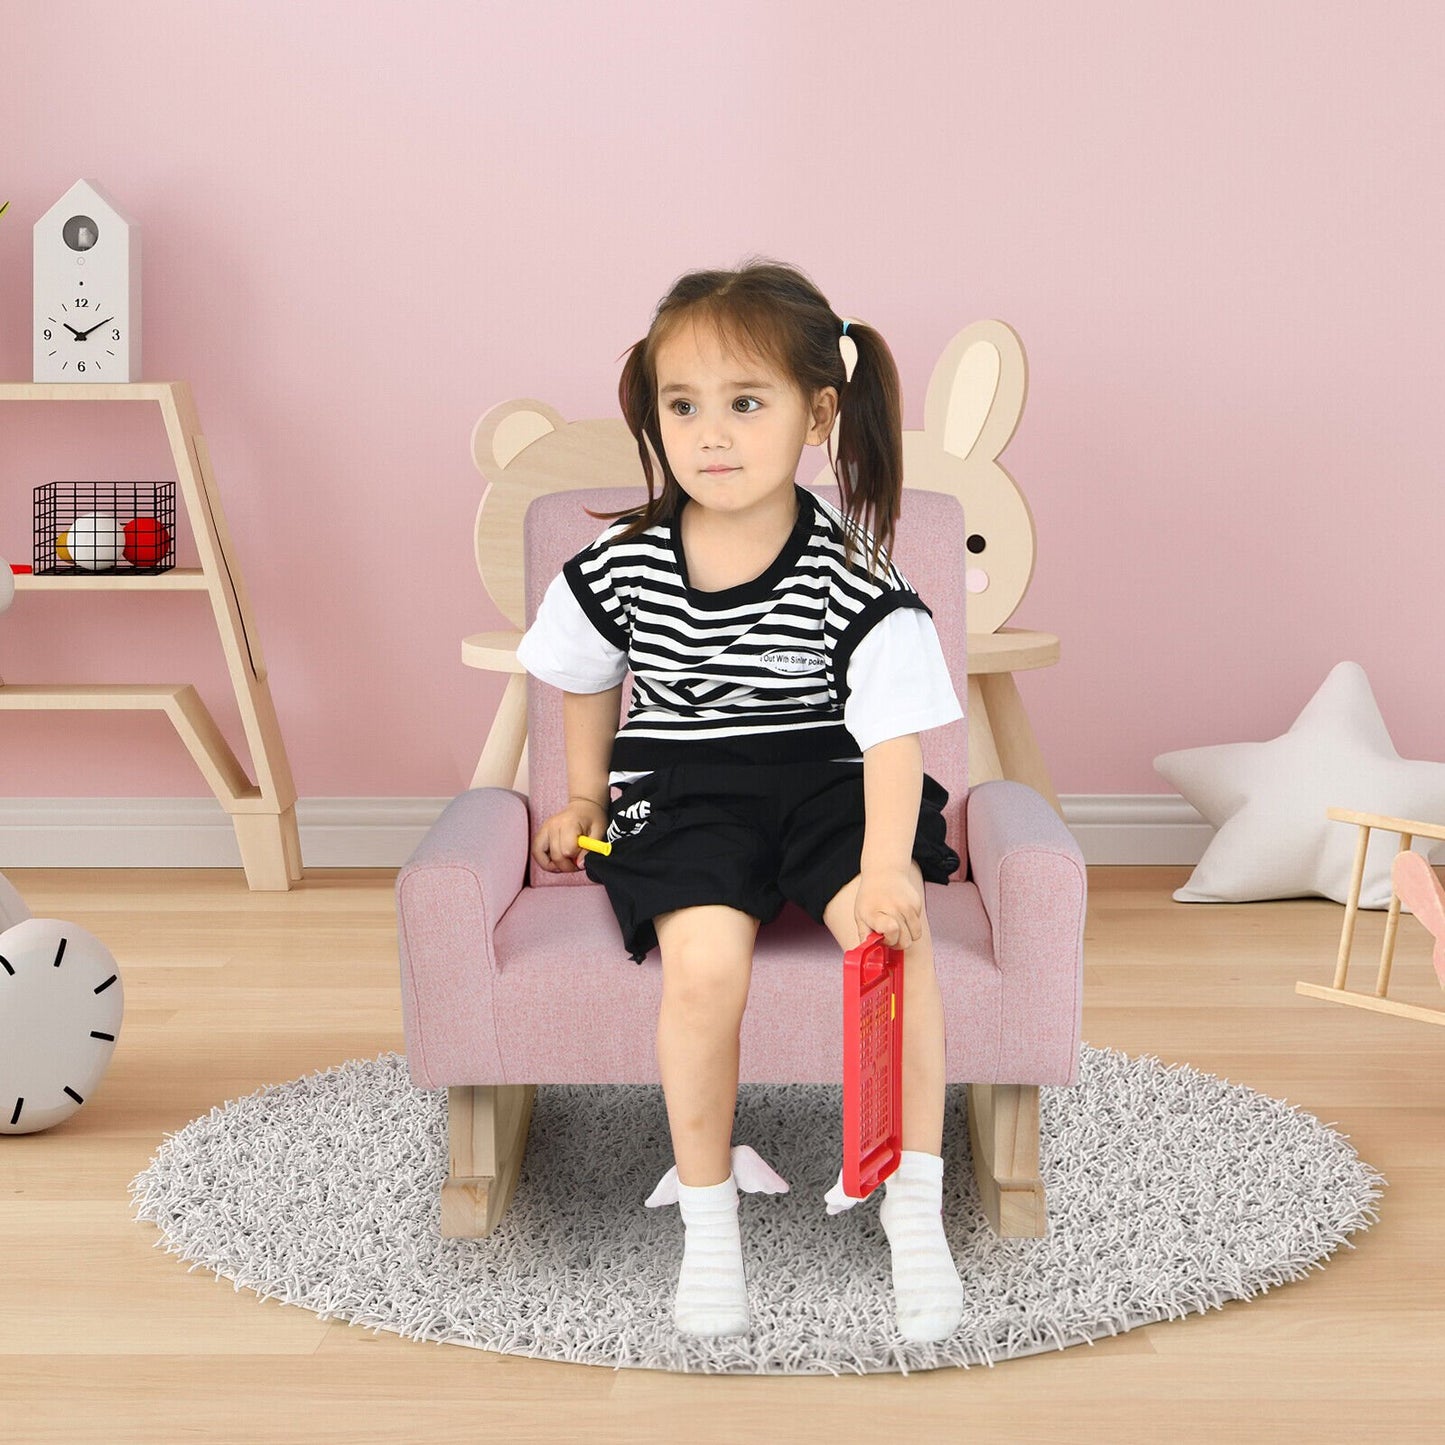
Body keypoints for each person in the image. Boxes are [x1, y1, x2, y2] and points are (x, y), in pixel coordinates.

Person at [516, 259, 966, 1343]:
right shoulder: (621, 561)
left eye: (744, 403)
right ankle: (708, 1221)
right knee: (704, 967)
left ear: (816, 414)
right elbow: (582, 675)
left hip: (828, 781)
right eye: (683, 406)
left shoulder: (850, 569)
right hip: (681, 791)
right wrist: (581, 791)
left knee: (889, 945)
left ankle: (913, 1206)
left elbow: (890, 732)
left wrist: (885, 865)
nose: (710, 433)